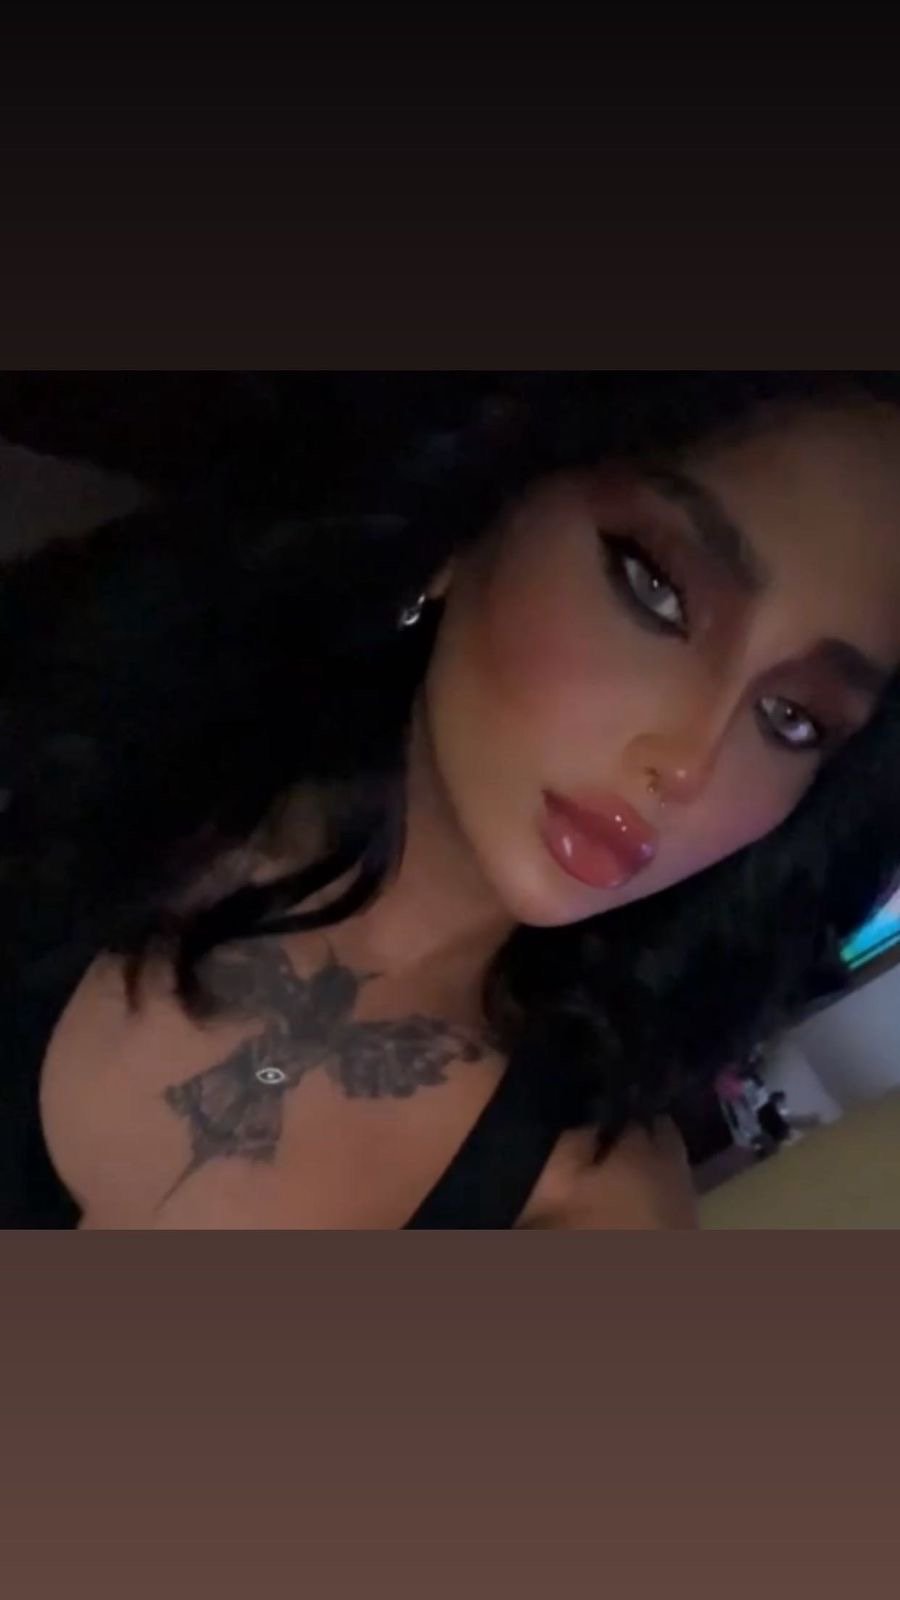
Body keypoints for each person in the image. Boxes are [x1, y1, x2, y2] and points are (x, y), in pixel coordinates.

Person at [5, 372, 900, 1229]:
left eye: (792, 718)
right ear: (478, 512)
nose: (689, 763)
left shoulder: (592, 1204)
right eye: (655, 588)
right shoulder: (73, 758)